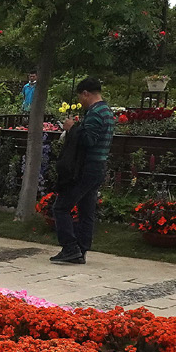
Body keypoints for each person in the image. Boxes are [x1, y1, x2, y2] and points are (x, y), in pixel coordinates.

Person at [48, 77, 113, 266]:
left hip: (86, 167)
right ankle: (81, 250)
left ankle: (70, 247)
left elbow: (88, 140)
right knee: (86, 209)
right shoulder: (106, 111)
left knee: (61, 207)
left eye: (80, 97)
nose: (80, 101)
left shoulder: (94, 113)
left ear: (86, 93)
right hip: (98, 167)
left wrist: (72, 128)